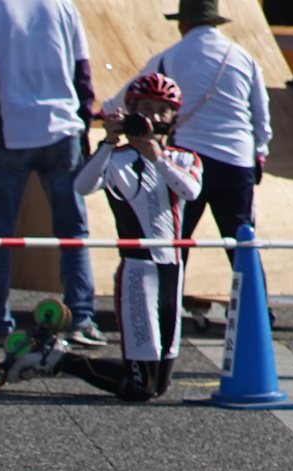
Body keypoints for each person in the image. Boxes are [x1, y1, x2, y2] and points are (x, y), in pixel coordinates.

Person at [0, 0, 104, 344]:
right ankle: (81, 319)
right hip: (63, 130)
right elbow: (82, 72)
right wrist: (84, 126)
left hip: (12, 131)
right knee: (73, 232)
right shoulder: (64, 7)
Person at [62, 76, 201, 397]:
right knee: (142, 387)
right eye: (146, 109)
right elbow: (81, 186)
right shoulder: (117, 158)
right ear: (131, 111)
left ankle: (54, 357)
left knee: (159, 385)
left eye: (163, 110)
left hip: (173, 270)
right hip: (138, 271)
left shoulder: (184, 158)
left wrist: (157, 157)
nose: (154, 116)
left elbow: (190, 191)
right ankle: (58, 360)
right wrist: (108, 142)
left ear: (173, 116)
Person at [136, 0, 271, 282]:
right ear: (215, 22)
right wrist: (260, 151)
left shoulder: (168, 57)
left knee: (176, 241)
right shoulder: (243, 58)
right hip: (236, 159)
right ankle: (255, 304)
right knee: (242, 243)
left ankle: (168, 301)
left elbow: (132, 93)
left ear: (182, 24)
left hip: (185, 161)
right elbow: (260, 115)